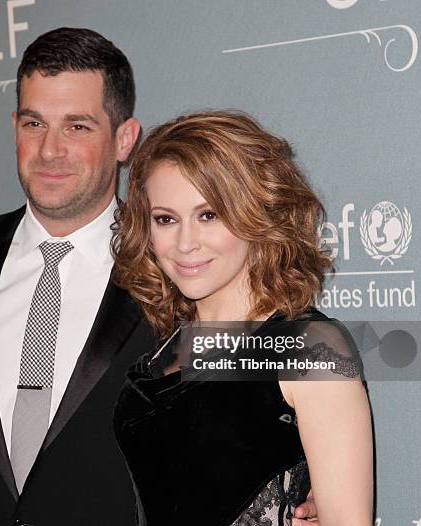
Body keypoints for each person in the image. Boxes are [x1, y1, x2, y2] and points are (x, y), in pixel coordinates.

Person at [0, 29, 320, 526]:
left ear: (124, 139)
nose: (50, 149)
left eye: (77, 127)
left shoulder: (182, 271)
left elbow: (251, 416)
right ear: (14, 126)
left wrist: (308, 493)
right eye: (34, 123)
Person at [111, 110, 374, 525]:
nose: (184, 243)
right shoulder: (165, 347)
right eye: (165, 219)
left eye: (208, 215)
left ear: (256, 212)